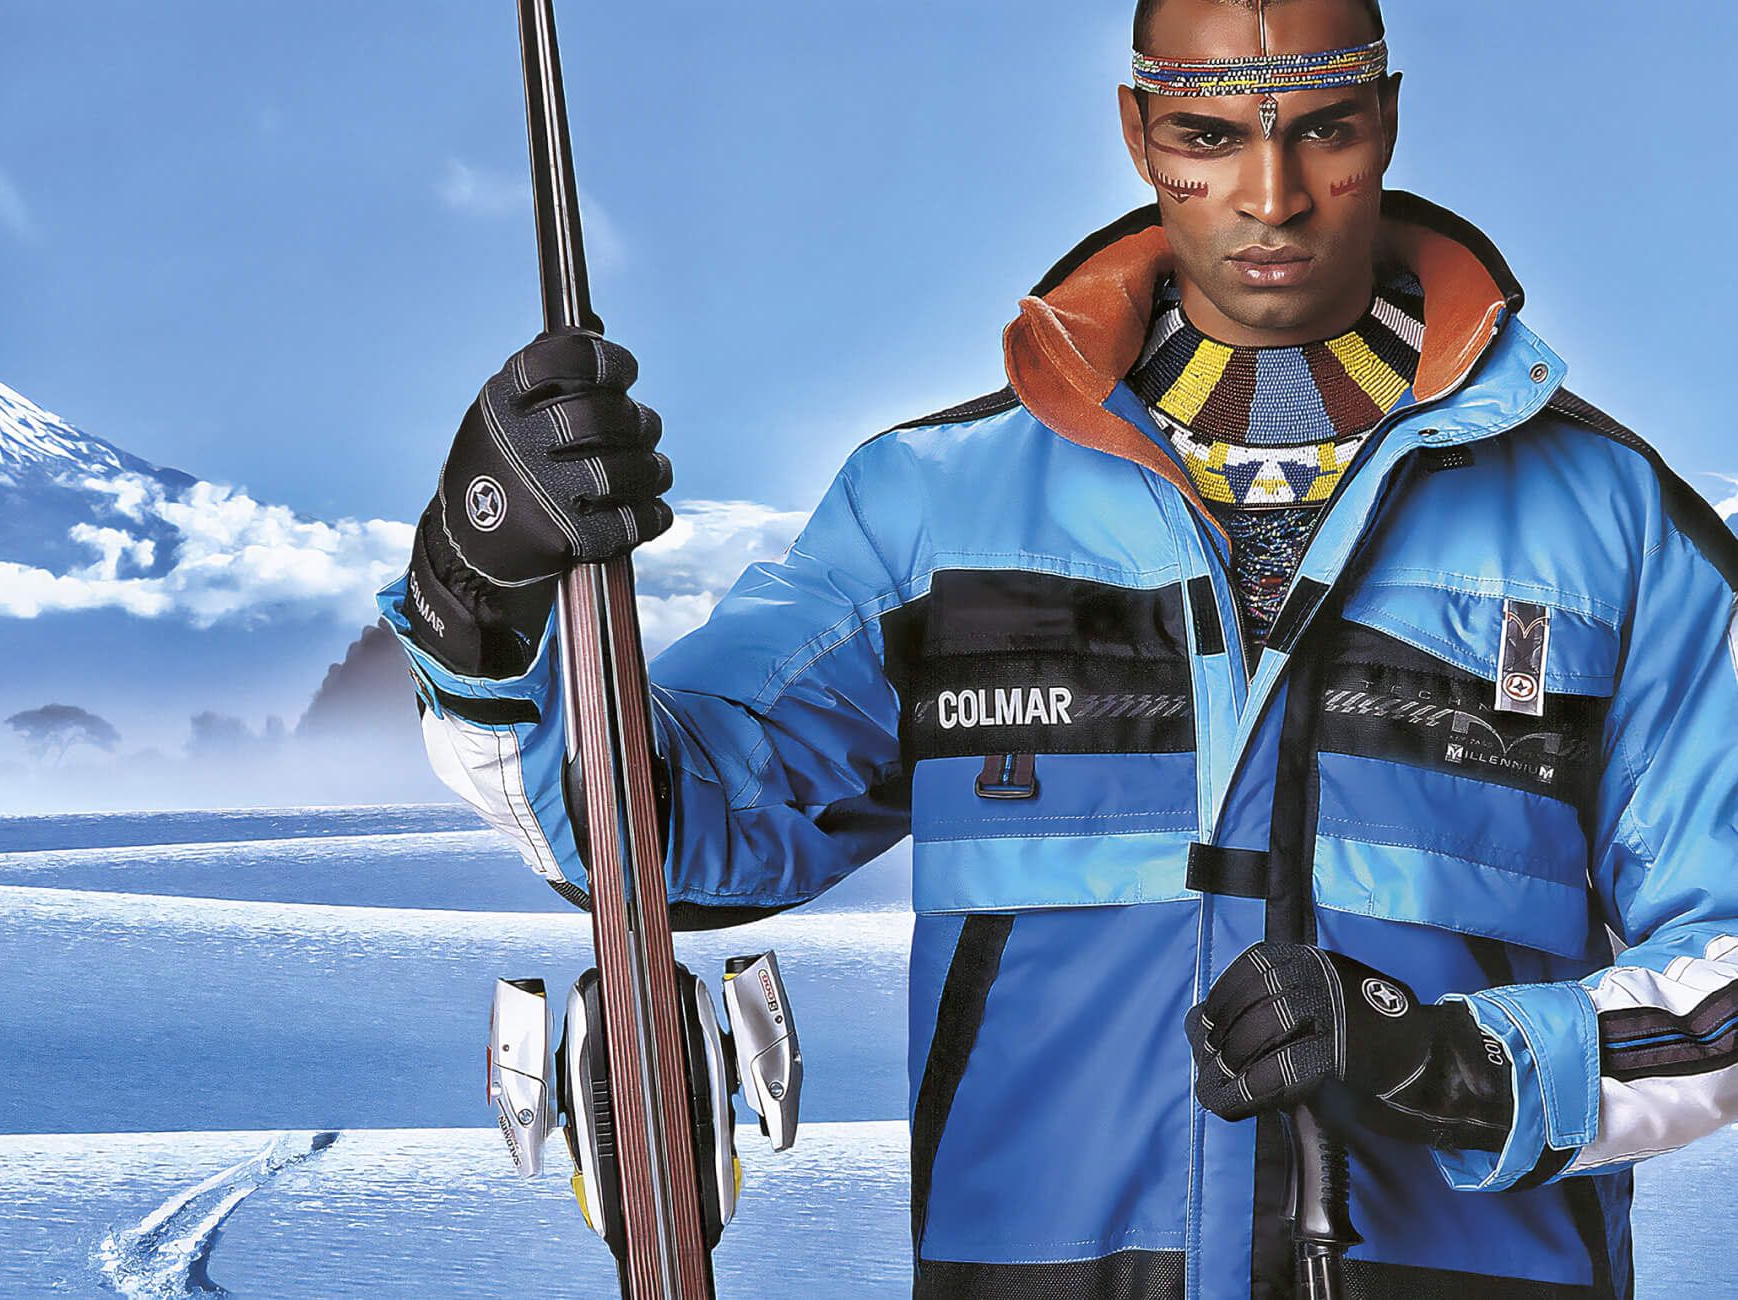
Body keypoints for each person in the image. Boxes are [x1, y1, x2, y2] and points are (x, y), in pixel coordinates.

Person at [376, 0, 1738, 1294]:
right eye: (1210, 136)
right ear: (1141, 132)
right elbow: (646, 836)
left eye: (1321, 127)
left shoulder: (1610, 524)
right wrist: (475, 589)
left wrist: (1464, 1061)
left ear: (1383, 120)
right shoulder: (935, 508)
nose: (1270, 194)